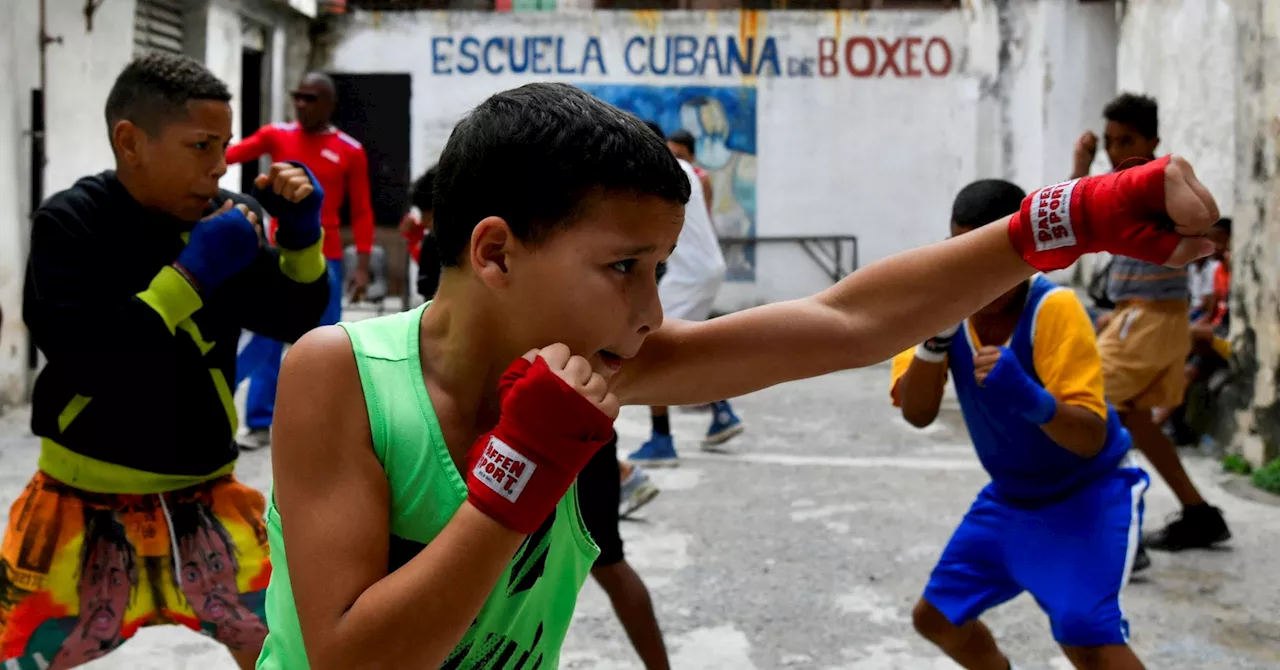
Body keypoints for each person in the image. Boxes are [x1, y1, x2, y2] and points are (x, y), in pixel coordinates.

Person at [259, 81, 1218, 668]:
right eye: (623, 268)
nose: (650, 312)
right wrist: (517, 472)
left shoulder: (611, 367)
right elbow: (355, 661)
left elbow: (848, 320)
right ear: (498, 254)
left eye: (659, 270)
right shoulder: (342, 374)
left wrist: (1067, 222)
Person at [1, 53, 329, 670]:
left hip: (203, 492)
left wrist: (302, 241)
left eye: (225, 145)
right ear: (130, 142)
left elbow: (297, 319)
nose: (220, 165)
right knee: (19, 657)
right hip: (78, 495)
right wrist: (191, 274)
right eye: (201, 145)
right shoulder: (70, 225)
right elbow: (88, 356)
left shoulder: (224, 220)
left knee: (287, 646)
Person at [892, 179, 1151, 670]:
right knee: (937, 618)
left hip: (1089, 493)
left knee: (1085, 638)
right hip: (1012, 496)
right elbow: (918, 412)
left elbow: (1090, 438)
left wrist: (1033, 400)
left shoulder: (1054, 309)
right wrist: (934, 341)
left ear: (1026, 254)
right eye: (965, 257)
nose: (977, 276)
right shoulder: (941, 309)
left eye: (992, 260)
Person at [1072, 93, 1232, 552]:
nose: (1116, 151)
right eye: (1110, 142)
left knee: (1085, 408)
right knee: (1137, 423)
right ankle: (1199, 513)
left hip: (1147, 321)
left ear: (1152, 140)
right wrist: (1082, 168)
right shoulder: (1123, 186)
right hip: (1139, 319)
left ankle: (1118, 533)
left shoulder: (1158, 186)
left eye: (1126, 140)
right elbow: (1068, 218)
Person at [225, 72, 375, 450]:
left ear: (329, 103)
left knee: (325, 346)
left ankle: (324, 425)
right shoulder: (276, 135)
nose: (302, 104)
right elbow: (226, 154)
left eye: (311, 98)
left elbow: (360, 210)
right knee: (267, 340)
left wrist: (362, 263)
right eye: (298, 97)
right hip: (283, 255)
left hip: (330, 260)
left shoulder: (349, 149)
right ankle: (257, 421)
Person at [628, 121, 744, 467]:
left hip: (690, 272)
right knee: (680, 346)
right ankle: (722, 411)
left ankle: (662, 439)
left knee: (646, 346)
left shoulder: (659, 169)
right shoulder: (688, 170)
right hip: (707, 267)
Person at [399, 165, 443, 301]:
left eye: (426, 213)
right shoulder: (431, 242)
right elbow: (428, 298)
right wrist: (414, 240)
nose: (423, 222)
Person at [666, 129, 713, 215]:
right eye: (670, 155)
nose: (675, 161)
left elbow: (705, 212)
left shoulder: (701, 179)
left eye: (680, 156)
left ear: (692, 156)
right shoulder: (663, 176)